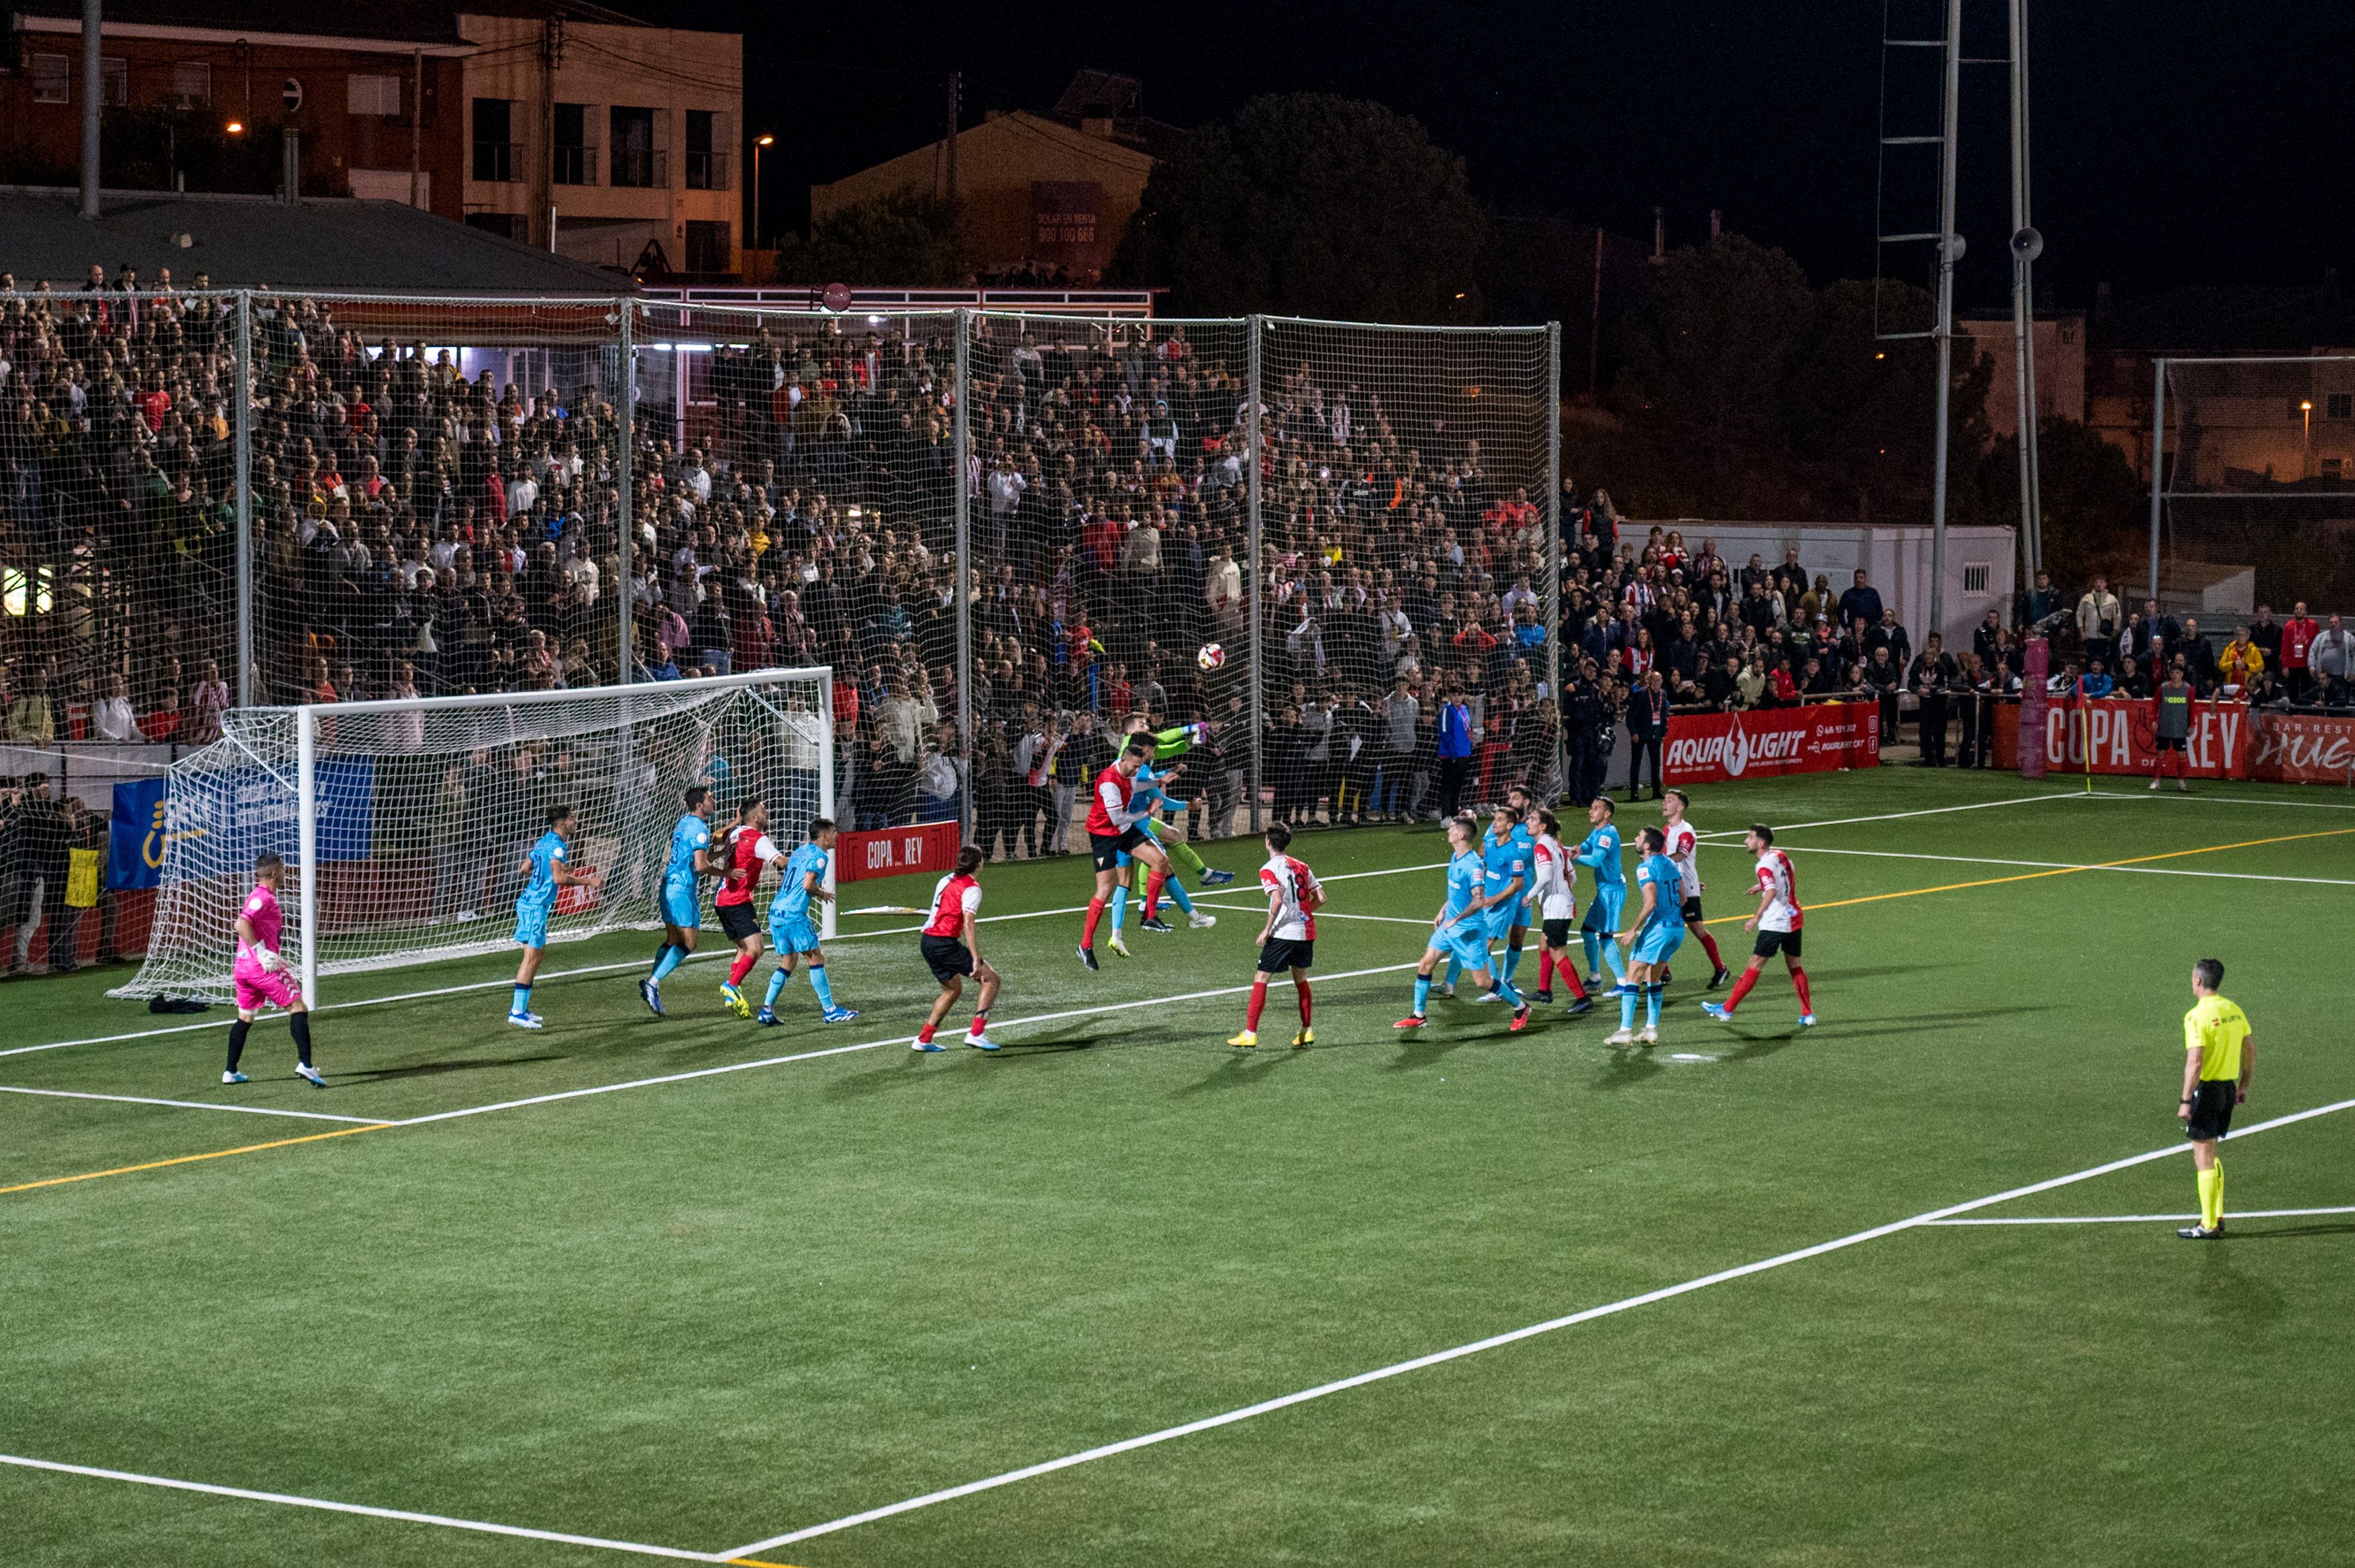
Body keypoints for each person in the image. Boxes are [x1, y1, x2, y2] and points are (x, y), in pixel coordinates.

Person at [1395, 813, 1532, 1031]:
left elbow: (1478, 901)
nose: (1448, 831)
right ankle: (1419, 1015)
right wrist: (1444, 910)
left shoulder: (1473, 865)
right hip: (1450, 927)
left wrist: (1456, 919)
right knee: (1426, 964)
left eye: (1452, 829)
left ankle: (1521, 1007)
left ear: (1461, 835)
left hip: (1469, 931)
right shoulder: (1455, 857)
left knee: (1483, 982)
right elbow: (1456, 893)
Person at [223, 852, 324, 1086]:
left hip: (243, 968)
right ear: (274, 872)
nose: (285, 871)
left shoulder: (262, 896)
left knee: (245, 1017)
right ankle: (306, 1065)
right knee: (298, 1006)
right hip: (260, 968)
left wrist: (267, 953)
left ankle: (230, 1071)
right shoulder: (262, 898)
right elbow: (241, 924)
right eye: (282, 868)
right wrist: (261, 953)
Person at [1701, 823, 1816, 1028]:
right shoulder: (1781, 856)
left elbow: (1772, 891)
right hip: (1794, 917)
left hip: (1775, 923)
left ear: (1760, 843)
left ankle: (1727, 1010)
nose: (1746, 841)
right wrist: (1761, 885)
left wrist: (1755, 917)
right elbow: (1784, 879)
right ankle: (1808, 1014)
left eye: (1750, 837)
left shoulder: (1762, 865)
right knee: (1795, 965)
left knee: (1755, 964)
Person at [2175, 957, 2254, 1240]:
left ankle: (2208, 1225)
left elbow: (2195, 1062)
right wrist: (2243, 1085)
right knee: (2211, 1151)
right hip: (2227, 1089)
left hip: (2206, 1091)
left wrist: (2186, 1100)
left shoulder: (2196, 1016)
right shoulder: (2233, 1010)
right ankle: (2216, 1216)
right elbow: (2250, 1050)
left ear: (2198, 980)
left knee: (2203, 1156)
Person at [1077, 739, 1172, 970]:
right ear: (1123, 761)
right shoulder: (1108, 783)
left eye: (1139, 767)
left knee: (1160, 861)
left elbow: (1134, 785)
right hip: (1104, 836)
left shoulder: (1130, 773)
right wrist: (1147, 812)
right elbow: (1117, 818)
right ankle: (1086, 946)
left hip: (1123, 830)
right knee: (1105, 889)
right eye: (1133, 767)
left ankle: (1149, 917)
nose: (1136, 771)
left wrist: (1158, 780)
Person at [1229, 823, 1323, 1049]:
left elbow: (1278, 899)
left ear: (1268, 842)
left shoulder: (1269, 868)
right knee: (1300, 978)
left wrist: (1268, 929)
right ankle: (1306, 1031)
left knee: (1261, 978)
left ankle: (1250, 1033)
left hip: (1283, 933)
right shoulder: (1301, 865)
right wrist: (1302, 913)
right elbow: (1320, 898)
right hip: (1305, 931)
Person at [507, 804, 601, 1029]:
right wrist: (589, 881)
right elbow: (559, 880)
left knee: (538, 955)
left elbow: (525, 868)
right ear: (562, 822)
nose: (575, 822)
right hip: (535, 906)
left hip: (531, 903)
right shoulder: (558, 846)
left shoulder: (544, 841)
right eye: (572, 818)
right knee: (531, 958)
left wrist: (550, 872)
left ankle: (522, 1008)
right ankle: (516, 1011)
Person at [758, 818, 854, 1025]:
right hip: (794, 915)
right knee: (816, 958)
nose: (837, 835)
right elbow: (807, 884)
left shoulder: (800, 851)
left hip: (776, 911)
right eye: (834, 831)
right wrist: (822, 894)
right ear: (824, 836)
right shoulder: (820, 857)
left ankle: (766, 1010)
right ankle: (830, 1010)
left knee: (788, 961)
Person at [913, 844, 999, 1052]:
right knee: (991, 980)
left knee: (952, 990)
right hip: (944, 944)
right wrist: (975, 959)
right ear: (979, 864)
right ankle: (977, 1034)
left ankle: (924, 1039)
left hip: (927, 943)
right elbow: (969, 923)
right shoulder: (973, 888)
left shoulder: (945, 880)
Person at [640, 785, 717, 1016]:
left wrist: (722, 854)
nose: (713, 801)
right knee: (689, 943)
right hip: (683, 889)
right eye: (709, 798)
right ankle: (652, 983)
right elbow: (701, 866)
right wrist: (726, 873)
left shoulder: (684, 823)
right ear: (699, 805)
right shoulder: (701, 830)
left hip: (668, 885)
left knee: (673, 939)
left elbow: (695, 857)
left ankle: (653, 985)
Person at [1607, 826, 1684, 1046]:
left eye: (1639, 837)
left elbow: (1651, 902)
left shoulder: (1645, 868)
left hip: (1658, 929)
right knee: (1654, 978)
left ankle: (1624, 1031)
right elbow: (1684, 897)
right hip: (1677, 930)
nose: (1635, 839)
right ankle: (1651, 1029)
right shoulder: (1671, 863)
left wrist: (1633, 929)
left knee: (1633, 975)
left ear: (1647, 846)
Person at [1658, 788, 1731, 988]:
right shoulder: (1667, 830)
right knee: (1665, 927)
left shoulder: (1686, 831)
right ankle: (1663, 972)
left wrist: (1656, 862)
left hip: (1686, 890)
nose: (1665, 803)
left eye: (1670, 800)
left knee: (1698, 930)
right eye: (1665, 800)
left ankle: (1721, 968)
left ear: (1680, 807)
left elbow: (1681, 856)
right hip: (1673, 887)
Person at [1526, 808, 1593, 1014]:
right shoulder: (1557, 845)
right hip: (1563, 905)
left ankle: (1583, 998)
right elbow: (1572, 877)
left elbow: (1545, 876)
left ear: (1543, 826)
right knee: (1544, 944)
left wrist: (1528, 896)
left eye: (1533, 819)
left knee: (1557, 952)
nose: (1528, 822)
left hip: (1556, 908)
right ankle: (1544, 991)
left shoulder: (1541, 847)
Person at [713, 798, 774, 1016]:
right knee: (757, 949)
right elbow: (779, 862)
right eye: (763, 809)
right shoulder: (760, 840)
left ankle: (734, 994)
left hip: (721, 899)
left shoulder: (734, 833)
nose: (766, 812)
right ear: (755, 817)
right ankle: (731, 985)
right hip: (737, 901)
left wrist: (735, 822)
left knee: (742, 948)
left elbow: (714, 839)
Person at [1574, 796, 1628, 992]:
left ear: (1607, 814)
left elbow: (1596, 860)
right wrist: (1568, 851)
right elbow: (1583, 848)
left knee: (1606, 937)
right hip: (1604, 891)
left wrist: (1572, 859)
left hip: (1612, 892)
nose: (1591, 811)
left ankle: (1623, 982)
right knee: (1587, 931)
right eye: (1591, 807)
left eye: (1596, 808)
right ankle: (1595, 977)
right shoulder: (1596, 832)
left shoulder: (1608, 834)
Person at [2151, 663, 2195, 792]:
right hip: (2165, 726)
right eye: (2173, 673)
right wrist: (2153, 720)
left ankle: (2181, 782)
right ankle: (2156, 781)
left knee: (2182, 755)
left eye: (2178, 673)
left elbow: (2193, 708)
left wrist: (2192, 724)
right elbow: (2154, 705)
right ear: (2170, 674)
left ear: (2182, 674)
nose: (2175, 675)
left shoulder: (2188, 689)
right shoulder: (2163, 688)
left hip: (2180, 728)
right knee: (2160, 754)